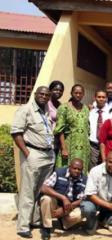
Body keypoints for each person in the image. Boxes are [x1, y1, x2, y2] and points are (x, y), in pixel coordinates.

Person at [11, 86, 55, 238]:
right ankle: (23, 226)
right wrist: (27, 153)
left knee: (39, 189)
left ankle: (34, 220)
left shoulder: (46, 111)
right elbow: (16, 132)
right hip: (33, 153)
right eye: (41, 94)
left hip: (48, 155)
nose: (44, 96)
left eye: (46, 95)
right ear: (35, 95)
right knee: (28, 190)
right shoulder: (26, 109)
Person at [40, 159, 87, 240]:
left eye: (79, 169)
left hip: (70, 207)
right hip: (56, 203)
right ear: (69, 167)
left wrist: (65, 210)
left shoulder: (84, 180)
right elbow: (44, 188)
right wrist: (63, 197)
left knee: (82, 212)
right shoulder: (59, 172)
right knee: (46, 199)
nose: (77, 171)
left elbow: (84, 198)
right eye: (74, 168)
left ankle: (64, 222)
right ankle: (46, 227)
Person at [54, 84, 90, 172]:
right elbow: (60, 130)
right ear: (71, 93)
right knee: (65, 171)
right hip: (69, 146)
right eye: (76, 93)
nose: (78, 95)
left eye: (80, 93)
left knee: (80, 172)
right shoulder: (64, 108)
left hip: (83, 149)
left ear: (83, 94)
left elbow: (87, 129)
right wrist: (64, 148)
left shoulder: (85, 108)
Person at [89, 90, 111, 170]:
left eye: (103, 97)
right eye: (99, 97)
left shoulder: (111, 113)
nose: (101, 99)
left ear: (106, 99)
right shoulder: (90, 113)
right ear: (95, 98)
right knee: (93, 169)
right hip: (93, 146)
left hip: (106, 145)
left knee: (106, 168)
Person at [48, 80, 65, 156]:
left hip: (57, 141)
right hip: (47, 140)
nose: (58, 92)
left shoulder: (60, 105)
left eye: (61, 91)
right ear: (50, 90)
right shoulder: (46, 104)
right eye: (56, 89)